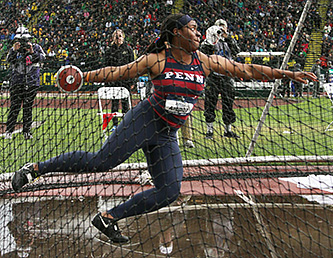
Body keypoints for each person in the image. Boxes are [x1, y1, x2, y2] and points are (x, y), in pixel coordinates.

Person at [11, 14, 317, 243]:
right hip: (144, 121)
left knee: (169, 191)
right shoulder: (158, 59)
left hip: (168, 134)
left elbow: (247, 69)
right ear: (176, 32)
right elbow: (118, 72)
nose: (198, 33)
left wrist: (289, 73)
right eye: (193, 28)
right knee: (101, 162)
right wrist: (81, 76)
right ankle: (36, 168)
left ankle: (108, 218)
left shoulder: (205, 62)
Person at [200, 19, 241, 139]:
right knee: (210, 103)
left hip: (227, 76)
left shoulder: (229, 41)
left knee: (228, 104)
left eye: (224, 27)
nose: (221, 30)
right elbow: (203, 53)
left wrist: (227, 37)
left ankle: (228, 130)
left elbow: (237, 51)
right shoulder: (209, 41)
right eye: (219, 28)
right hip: (213, 76)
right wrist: (211, 40)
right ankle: (209, 130)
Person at [4, 26, 46, 140]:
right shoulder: (14, 49)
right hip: (17, 82)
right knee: (15, 107)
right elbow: (8, 60)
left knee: (28, 108)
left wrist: (31, 52)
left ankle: (27, 132)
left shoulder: (36, 47)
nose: (24, 43)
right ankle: (9, 131)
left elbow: (43, 58)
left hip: (31, 82)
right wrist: (14, 50)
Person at [104, 29, 135, 131]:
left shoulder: (129, 49)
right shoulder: (109, 50)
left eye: (120, 36)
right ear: (113, 38)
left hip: (125, 80)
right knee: (114, 103)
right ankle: (115, 125)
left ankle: (125, 123)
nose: (118, 38)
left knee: (126, 103)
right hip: (114, 81)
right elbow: (106, 66)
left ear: (123, 37)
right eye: (116, 36)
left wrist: (132, 82)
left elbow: (133, 66)